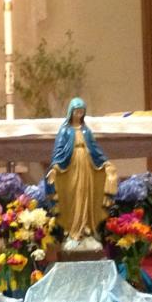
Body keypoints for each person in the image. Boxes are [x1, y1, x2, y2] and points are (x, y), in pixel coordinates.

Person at [46, 97, 117, 250]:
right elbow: (58, 151)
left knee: (86, 195)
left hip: (86, 166)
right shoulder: (65, 131)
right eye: (76, 112)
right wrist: (55, 168)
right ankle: (73, 231)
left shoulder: (86, 131)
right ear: (70, 112)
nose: (79, 114)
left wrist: (105, 162)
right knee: (74, 196)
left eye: (81, 112)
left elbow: (95, 149)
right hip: (71, 167)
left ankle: (86, 229)